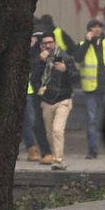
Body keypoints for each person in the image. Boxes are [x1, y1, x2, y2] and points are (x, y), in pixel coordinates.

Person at [71, 18, 105, 159]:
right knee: (92, 120)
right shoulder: (82, 45)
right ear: (89, 30)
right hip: (91, 89)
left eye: (99, 26)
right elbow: (78, 58)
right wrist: (87, 42)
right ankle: (92, 150)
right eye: (93, 27)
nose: (97, 29)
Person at [36, 32, 76, 171]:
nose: (48, 45)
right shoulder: (41, 59)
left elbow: (76, 79)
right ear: (42, 45)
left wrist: (65, 70)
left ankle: (58, 161)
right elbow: (34, 79)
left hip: (63, 99)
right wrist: (41, 63)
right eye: (45, 43)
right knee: (49, 133)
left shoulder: (65, 58)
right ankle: (55, 157)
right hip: (47, 100)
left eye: (50, 42)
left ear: (55, 43)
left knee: (57, 130)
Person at [24, 31, 54, 162]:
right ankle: (36, 149)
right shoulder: (31, 52)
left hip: (42, 93)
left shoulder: (52, 53)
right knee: (33, 122)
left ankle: (44, 151)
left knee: (36, 122)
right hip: (32, 91)